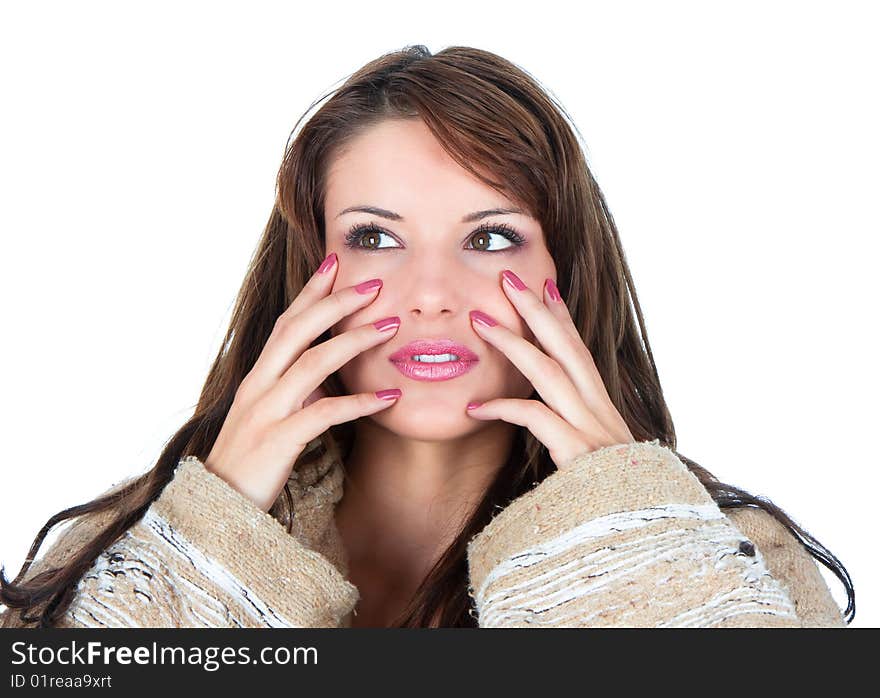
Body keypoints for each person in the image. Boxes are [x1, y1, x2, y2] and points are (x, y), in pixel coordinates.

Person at [0, 45, 854, 628]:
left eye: (489, 238)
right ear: (309, 269)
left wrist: (620, 540)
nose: (432, 295)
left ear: (566, 267)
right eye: (374, 236)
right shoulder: (125, 552)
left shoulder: (731, 556)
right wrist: (206, 549)